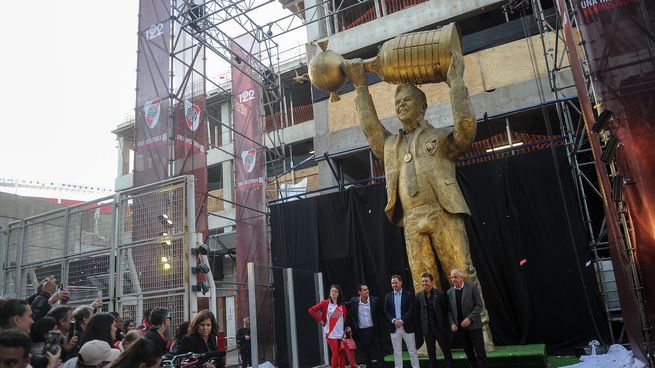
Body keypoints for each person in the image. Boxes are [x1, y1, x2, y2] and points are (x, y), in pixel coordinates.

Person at [343, 50, 493, 349]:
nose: (400, 106)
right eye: (397, 103)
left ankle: (482, 334)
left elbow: (465, 130)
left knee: (462, 273)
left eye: (407, 100)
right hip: (411, 219)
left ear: (422, 105)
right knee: (424, 283)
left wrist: (455, 83)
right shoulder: (391, 145)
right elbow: (372, 130)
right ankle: (434, 340)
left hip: (443, 212)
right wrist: (360, 87)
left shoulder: (438, 137)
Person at [447, 269, 488, 368]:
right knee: (469, 352)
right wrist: (452, 323)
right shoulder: (449, 292)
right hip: (460, 328)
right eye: (452, 277)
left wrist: (469, 318)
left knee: (480, 351)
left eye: (455, 277)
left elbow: (479, 305)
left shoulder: (472, 287)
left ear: (461, 277)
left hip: (474, 326)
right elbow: (449, 310)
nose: (453, 279)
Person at [308, 284, 356, 368]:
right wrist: (321, 320)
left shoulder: (342, 305)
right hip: (330, 333)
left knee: (342, 354)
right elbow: (311, 310)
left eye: (335, 291)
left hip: (341, 333)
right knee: (335, 354)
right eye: (332, 291)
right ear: (330, 293)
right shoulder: (325, 303)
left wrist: (347, 327)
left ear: (338, 294)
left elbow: (346, 318)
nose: (333, 293)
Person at [416, 273, 453, 368]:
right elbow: (418, 312)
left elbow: (446, 309)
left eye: (426, 281)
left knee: (446, 350)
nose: (424, 283)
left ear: (431, 282)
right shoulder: (419, 296)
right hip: (427, 329)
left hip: (439, 328)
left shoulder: (440, 294)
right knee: (431, 353)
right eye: (423, 281)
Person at [345, 284, 385, 368]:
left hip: (374, 330)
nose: (367, 291)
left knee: (379, 352)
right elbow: (343, 305)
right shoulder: (354, 301)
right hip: (362, 332)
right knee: (367, 354)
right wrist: (329, 303)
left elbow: (383, 313)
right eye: (364, 290)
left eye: (367, 289)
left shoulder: (375, 300)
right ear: (359, 292)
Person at [383, 275, 419, 368]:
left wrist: (402, 320)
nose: (394, 285)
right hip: (394, 327)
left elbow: (411, 310)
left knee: (412, 351)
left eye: (396, 282)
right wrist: (394, 320)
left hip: (407, 326)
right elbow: (386, 311)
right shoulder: (388, 296)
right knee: (397, 353)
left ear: (401, 282)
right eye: (392, 283)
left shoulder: (409, 295)